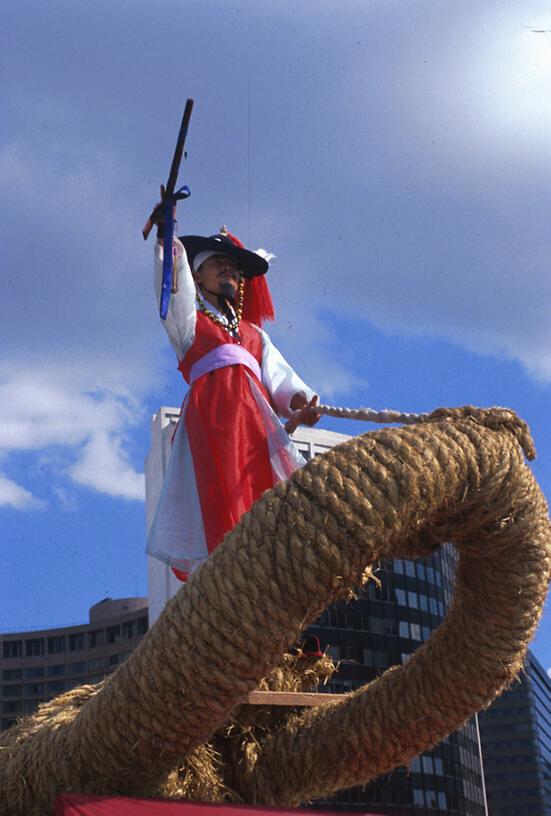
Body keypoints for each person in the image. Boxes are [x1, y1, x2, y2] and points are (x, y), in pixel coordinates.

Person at [147, 220, 320, 579]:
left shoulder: (253, 335)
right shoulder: (190, 324)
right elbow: (172, 287)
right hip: (212, 425)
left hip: (255, 428)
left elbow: (280, 378)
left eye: (235, 270)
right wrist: (167, 236)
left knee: (265, 505)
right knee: (221, 507)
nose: (230, 272)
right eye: (218, 264)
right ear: (198, 276)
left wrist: (299, 400)